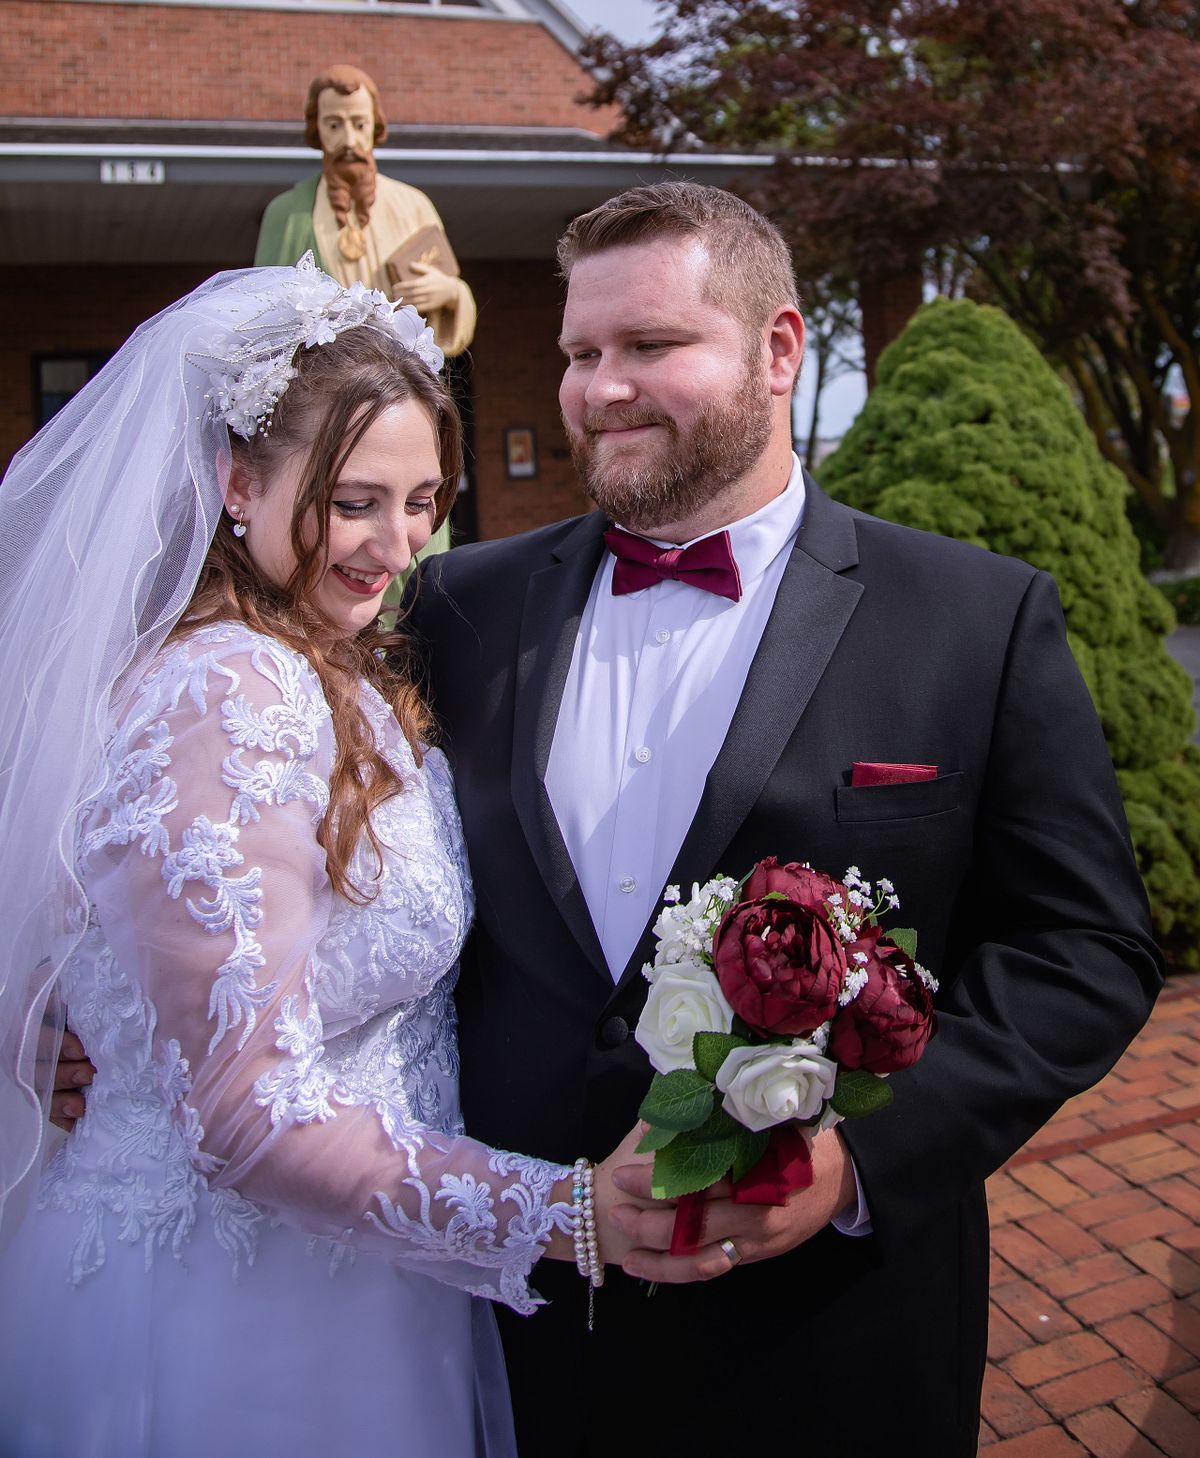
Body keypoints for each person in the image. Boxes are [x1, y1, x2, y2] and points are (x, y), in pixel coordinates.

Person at [403, 183, 1164, 1456]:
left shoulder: (973, 619)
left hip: (832, 1344)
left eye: (651, 346)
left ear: (779, 350)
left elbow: (1084, 950)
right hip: (519, 1323)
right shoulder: (456, 609)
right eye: (582, 353)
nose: (600, 388)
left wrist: (857, 1166)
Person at [0, 256, 651, 1458]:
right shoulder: (228, 691)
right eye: (355, 500)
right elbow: (245, 1113)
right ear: (236, 482)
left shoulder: (320, 661)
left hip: (364, 1267)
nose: (396, 544)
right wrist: (564, 1214)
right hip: (236, 1310)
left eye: (422, 501)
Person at [255, 64, 477, 359]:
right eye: (334, 125)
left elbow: (453, 292)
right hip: (323, 382)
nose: (348, 141)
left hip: (399, 375)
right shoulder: (285, 215)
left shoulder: (414, 205)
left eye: (359, 124)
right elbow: (261, 316)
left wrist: (452, 293)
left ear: (375, 126)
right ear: (316, 129)